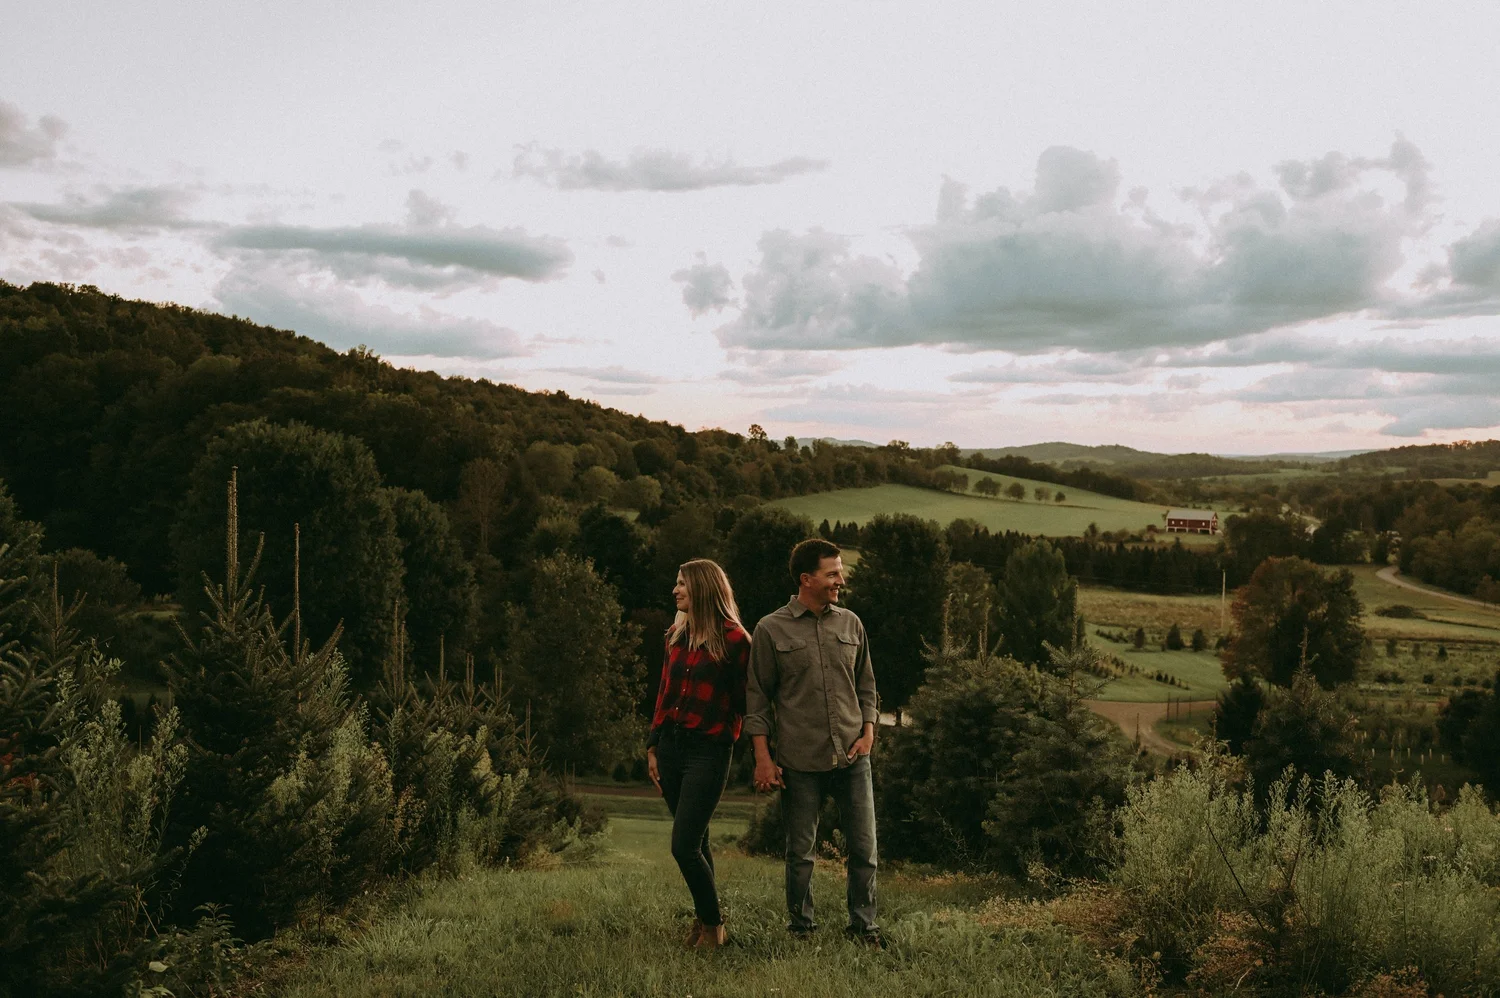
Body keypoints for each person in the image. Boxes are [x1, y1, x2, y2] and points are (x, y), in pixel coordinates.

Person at [744, 538, 881, 947]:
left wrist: (869, 733)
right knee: (801, 853)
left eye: (841, 571)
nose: (842, 580)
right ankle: (801, 930)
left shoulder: (852, 624)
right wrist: (763, 757)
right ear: (806, 579)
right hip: (800, 760)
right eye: (832, 573)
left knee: (864, 848)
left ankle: (864, 928)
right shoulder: (770, 629)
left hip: (853, 756)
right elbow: (756, 699)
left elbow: (867, 686)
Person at [645, 558, 751, 949]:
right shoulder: (676, 635)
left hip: (708, 751)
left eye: (682, 584)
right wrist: (653, 745)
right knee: (698, 841)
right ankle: (704, 918)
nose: (675, 590)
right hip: (671, 747)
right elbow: (664, 693)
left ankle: (713, 928)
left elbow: (745, 703)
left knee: (684, 845)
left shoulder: (737, 640)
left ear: (702, 588)